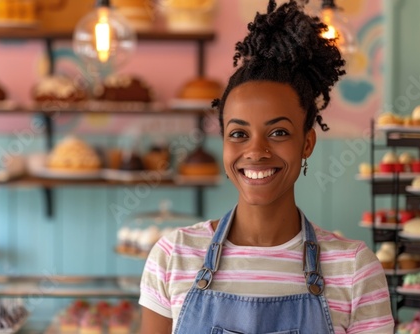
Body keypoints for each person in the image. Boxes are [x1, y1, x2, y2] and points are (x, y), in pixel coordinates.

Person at [138, 1, 394, 333]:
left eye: (278, 132)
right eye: (238, 133)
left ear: (307, 143)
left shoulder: (355, 269)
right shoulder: (174, 256)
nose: (256, 151)